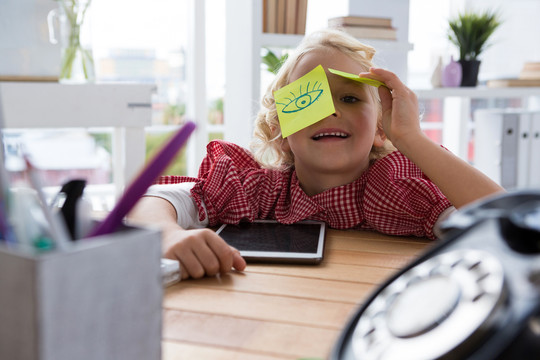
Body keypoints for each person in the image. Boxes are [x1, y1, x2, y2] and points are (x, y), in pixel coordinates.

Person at [127, 28, 504, 280]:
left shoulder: (398, 190)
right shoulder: (258, 188)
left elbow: (503, 219)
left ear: (379, 130)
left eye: (350, 97)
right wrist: (166, 235)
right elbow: (155, 200)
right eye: (309, 99)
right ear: (281, 133)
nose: (330, 110)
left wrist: (411, 138)